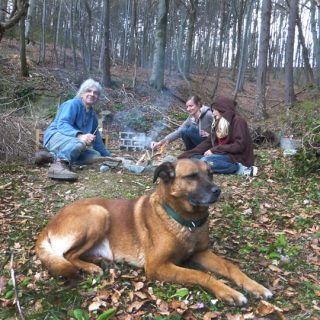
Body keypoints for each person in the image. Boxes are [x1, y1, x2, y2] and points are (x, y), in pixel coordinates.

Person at [42, 79, 111, 181]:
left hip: (73, 143)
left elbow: (97, 140)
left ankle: (50, 157)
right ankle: (59, 166)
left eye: (95, 93)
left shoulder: (93, 115)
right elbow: (62, 124)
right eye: (89, 91)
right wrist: (80, 136)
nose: (92, 94)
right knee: (80, 143)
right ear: (82, 93)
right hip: (54, 137)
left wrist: (108, 156)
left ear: (98, 97)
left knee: (95, 155)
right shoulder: (72, 104)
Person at [178, 95, 257, 176]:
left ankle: (241, 169)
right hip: (220, 155)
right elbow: (207, 143)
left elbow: (239, 145)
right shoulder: (218, 122)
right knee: (193, 159)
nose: (213, 112)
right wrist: (184, 156)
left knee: (205, 161)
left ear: (223, 110)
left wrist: (214, 150)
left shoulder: (238, 121)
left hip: (236, 157)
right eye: (213, 110)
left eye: (215, 110)